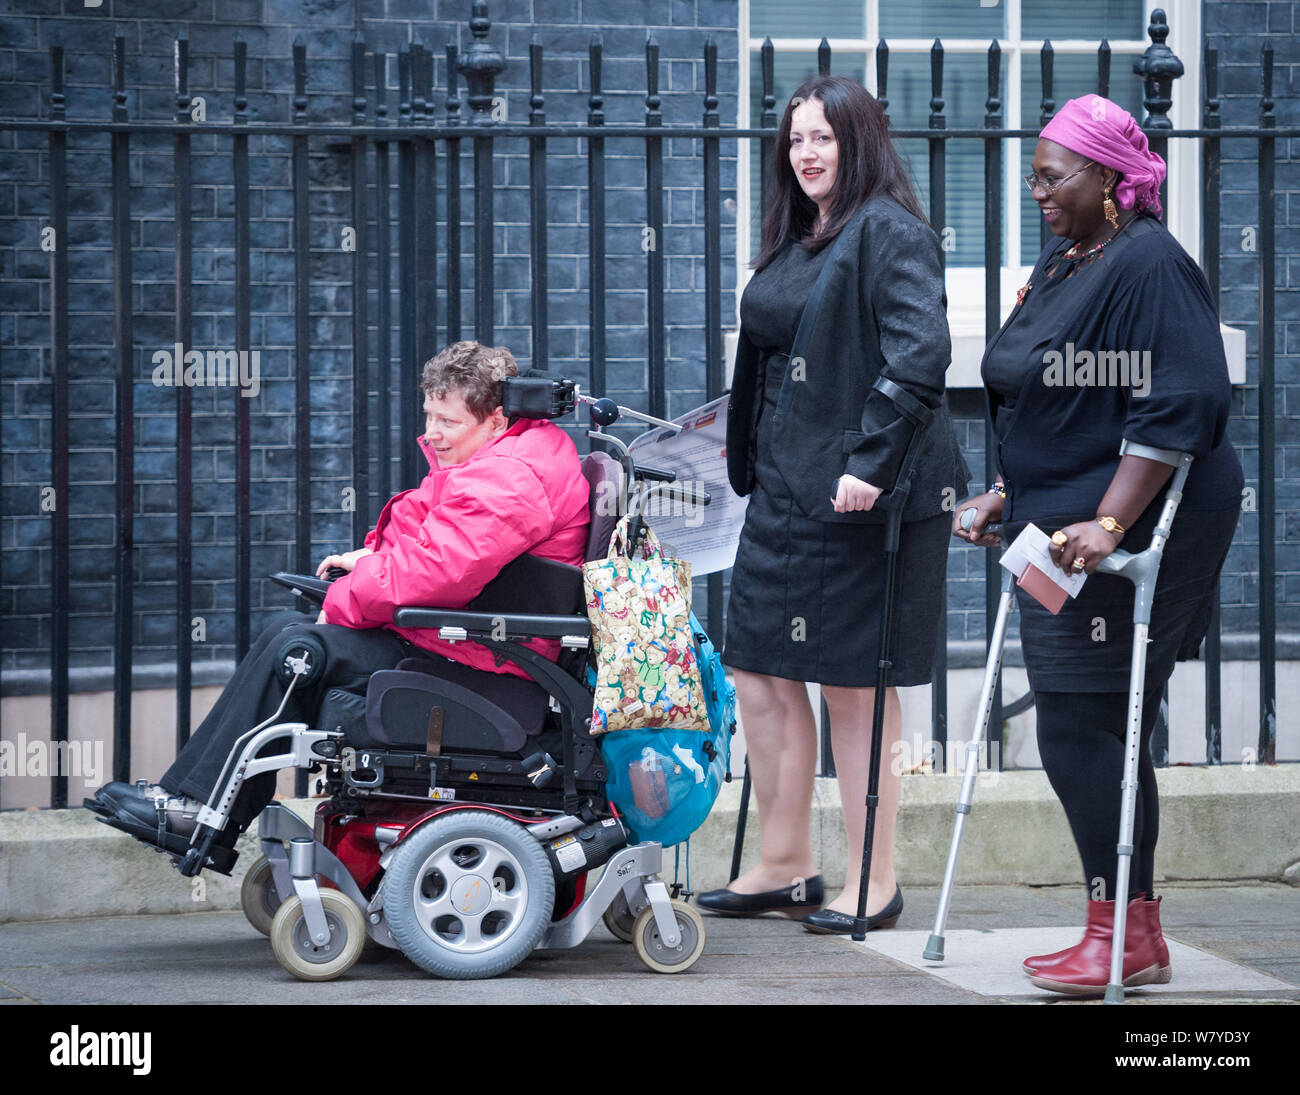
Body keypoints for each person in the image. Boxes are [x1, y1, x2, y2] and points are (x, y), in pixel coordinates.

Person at [953, 94, 1243, 994]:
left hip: (1138, 522)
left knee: (1085, 720)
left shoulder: (1150, 265)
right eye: (1033, 174)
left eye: (1052, 175)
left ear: (1113, 182)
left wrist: (1110, 519)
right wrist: (1011, 490)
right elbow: (1054, 392)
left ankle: (1117, 928)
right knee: (1084, 717)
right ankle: (1130, 931)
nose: (1035, 189)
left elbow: (1180, 398)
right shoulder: (1068, 260)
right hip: (1057, 523)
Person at [89, 341, 591, 855]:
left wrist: (347, 597)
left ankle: (200, 814)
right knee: (287, 631)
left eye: (448, 421)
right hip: (463, 642)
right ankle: (196, 808)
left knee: (300, 650)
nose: (432, 433)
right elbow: (433, 539)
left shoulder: (509, 478)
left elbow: (436, 573)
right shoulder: (508, 455)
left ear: (495, 418)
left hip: (482, 661)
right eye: (429, 415)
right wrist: (369, 562)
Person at [696, 76, 968, 934]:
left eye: (825, 138)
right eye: (796, 139)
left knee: (857, 686)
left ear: (860, 144)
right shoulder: (798, 236)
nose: (807, 153)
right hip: (782, 488)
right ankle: (785, 861)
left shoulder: (892, 234)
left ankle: (874, 878)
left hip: (863, 501)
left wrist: (871, 463)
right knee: (760, 670)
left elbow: (921, 356)